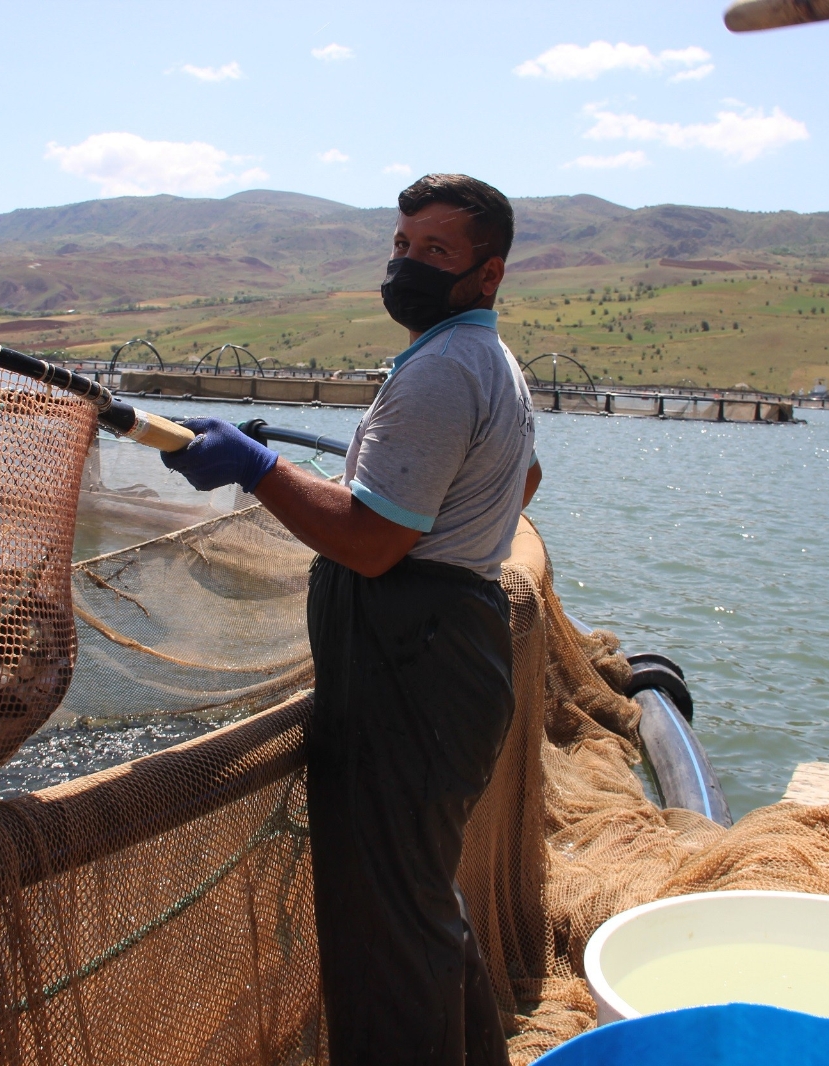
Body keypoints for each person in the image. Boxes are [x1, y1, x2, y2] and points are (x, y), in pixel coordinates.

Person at [161, 173, 538, 1066]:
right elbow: (520, 483)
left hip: (412, 669)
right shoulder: (485, 358)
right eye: (402, 247)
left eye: (434, 253)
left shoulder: (442, 371)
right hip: (450, 657)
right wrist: (301, 471)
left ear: (486, 275)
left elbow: (369, 545)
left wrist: (258, 471)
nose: (406, 266)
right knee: (418, 909)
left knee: (383, 939)